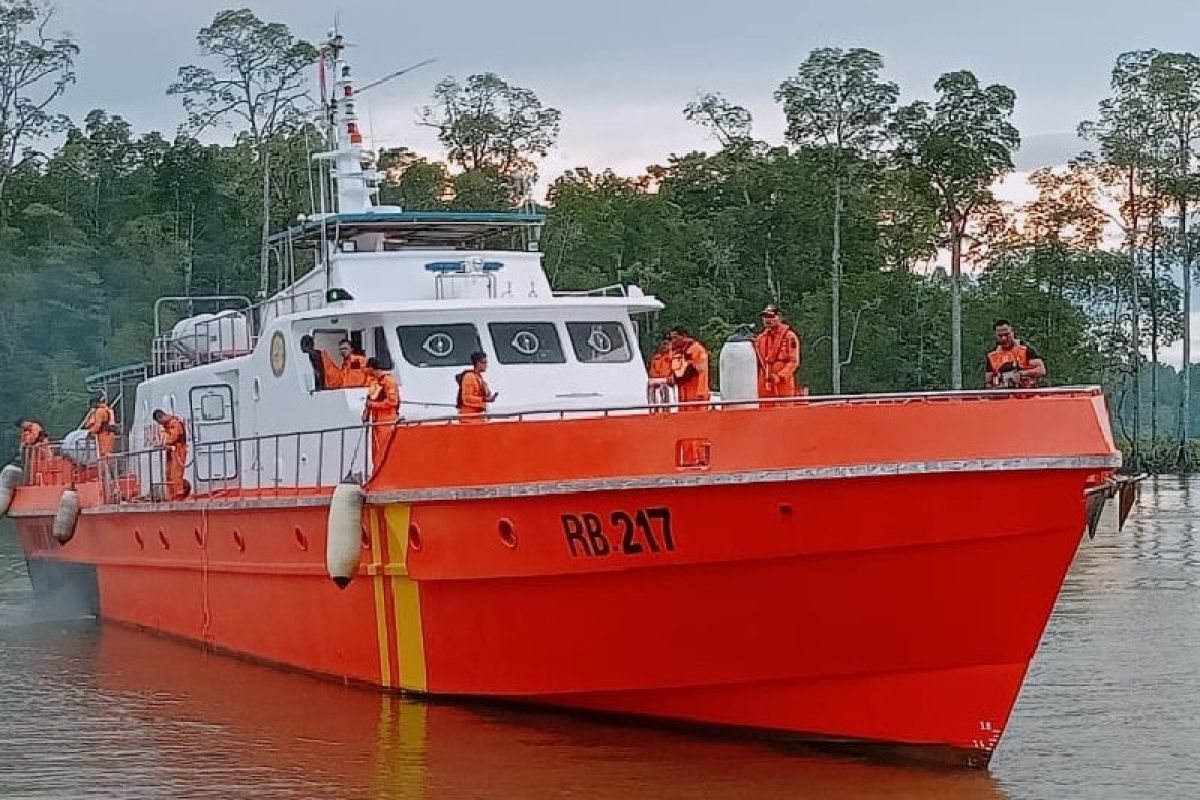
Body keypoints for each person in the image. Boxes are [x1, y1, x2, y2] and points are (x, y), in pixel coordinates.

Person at [753, 304, 802, 400]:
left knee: (784, 411)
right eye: (765, 317)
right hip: (764, 382)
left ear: (779, 317)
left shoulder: (789, 336)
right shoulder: (760, 339)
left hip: (783, 383)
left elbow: (793, 362)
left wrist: (780, 376)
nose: (768, 320)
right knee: (764, 411)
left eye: (771, 316)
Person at [986, 319, 1047, 389]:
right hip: (1003, 395)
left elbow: (1041, 370)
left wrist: (1021, 374)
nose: (1004, 338)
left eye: (1007, 334)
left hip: (1027, 394)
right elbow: (988, 382)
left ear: (1012, 332)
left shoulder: (1025, 349)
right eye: (1000, 336)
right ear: (995, 336)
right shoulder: (992, 356)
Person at [363, 357, 401, 466]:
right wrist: (366, 413)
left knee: (384, 448)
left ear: (371, 368)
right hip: (376, 421)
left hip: (386, 421)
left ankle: (386, 470)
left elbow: (392, 402)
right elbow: (370, 399)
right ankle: (376, 470)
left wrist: (374, 405)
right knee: (376, 450)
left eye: (368, 368)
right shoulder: (375, 382)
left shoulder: (388, 381)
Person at [667, 327, 710, 409]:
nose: (673, 340)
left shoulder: (697, 349)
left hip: (697, 396)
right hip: (683, 397)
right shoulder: (677, 352)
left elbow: (698, 369)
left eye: (675, 337)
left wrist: (678, 375)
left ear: (684, 336)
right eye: (671, 338)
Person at [153, 409, 189, 501]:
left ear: (161, 417)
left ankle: (178, 494)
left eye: (159, 422)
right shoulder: (167, 425)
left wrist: (165, 442)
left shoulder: (175, 423)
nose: (160, 424)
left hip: (178, 450)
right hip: (171, 450)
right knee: (168, 473)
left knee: (176, 473)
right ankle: (171, 494)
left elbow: (173, 437)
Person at [457, 351, 497, 420]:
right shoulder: (469, 377)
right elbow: (466, 398)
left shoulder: (479, 378)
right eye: (484, 362)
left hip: (478, 416)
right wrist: (484, 399)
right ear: (478, 363)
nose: (486, 365)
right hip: (469, 418)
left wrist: (488, 394)